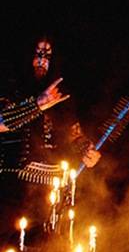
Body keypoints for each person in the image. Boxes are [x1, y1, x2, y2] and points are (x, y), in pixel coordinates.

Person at [0, 36, 100, 241]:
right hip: (14, 190)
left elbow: (75, 134)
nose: (41, 60)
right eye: (37, 53)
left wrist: (86, 149)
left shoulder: (59, 95)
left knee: (50, 246)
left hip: (52, 190)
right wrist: (36, 105)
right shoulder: (10, 87)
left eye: (47, 55)